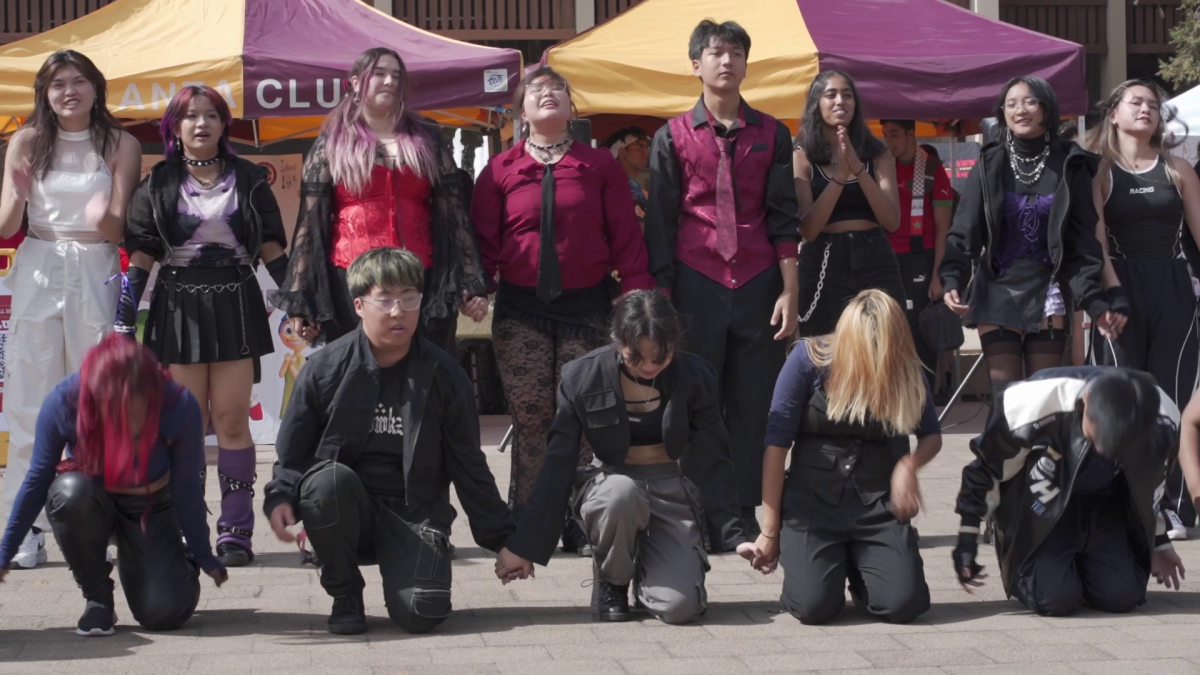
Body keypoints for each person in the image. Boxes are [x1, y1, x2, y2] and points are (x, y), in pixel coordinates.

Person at [263, 248, 513, 635]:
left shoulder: (445, 375)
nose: (399, 311)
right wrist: (281, 497)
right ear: (359, 305)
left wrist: (503, 541)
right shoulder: (324, 370)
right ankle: (345, 592)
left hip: (414, 515)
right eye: (386, 300)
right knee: (325, 482)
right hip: (345, 509)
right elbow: (293, 452)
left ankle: (411, 567)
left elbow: (469, 465)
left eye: (409, 298)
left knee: (422, 613)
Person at [472, 66, 654, 550]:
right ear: (521, 111)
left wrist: (636, 296)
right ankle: (534, 521)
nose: (548, 95)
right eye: (536, 90)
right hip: (520, 308)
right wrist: (474, 288)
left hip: (589, 308)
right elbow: (484, 244)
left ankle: (578, 518)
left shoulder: (599, 166)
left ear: (571, 107)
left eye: (557, 90)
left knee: (579, 416)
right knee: (532, 415)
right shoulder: (499, 170)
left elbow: (626, 238)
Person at [493, 290, 754, 624]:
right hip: (611, 485)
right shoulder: (581, 376)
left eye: (659, 358)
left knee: (679, 609)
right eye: (635, 357)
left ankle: (650, 568)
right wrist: (525, 546)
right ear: (618, 340)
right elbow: (557, 464)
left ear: (673, 343)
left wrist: (735, 537)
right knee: (621, 493)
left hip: (670, 487)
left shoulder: (697, 375)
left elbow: (714, 457)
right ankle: (613, 581)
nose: (648, 367)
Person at [644, 20, 800, 537]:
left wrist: (789, 289)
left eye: (735, 53)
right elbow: (662, 221)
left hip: (758, 279)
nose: (726, 62)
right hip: (696, 277)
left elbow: (783, 217)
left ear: (745, 65)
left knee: (754, 399)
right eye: (715, 53)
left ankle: (741, 510)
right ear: (696, 64)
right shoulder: (672, 136)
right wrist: (662, 299)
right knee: (694, 397)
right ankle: (697, 506)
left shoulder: (773, 133)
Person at [123, 85, 289, 567]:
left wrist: (302, 302)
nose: (201, 124)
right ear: (174, 127)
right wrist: (122, 316)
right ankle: (187, 529)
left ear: (224, 124)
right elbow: (141, 258)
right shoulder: (156, 184)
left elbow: (273, 251)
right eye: (190, 116)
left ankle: (235, 531)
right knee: (186, 428)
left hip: (236, 303)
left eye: (211, 115)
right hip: (177, 308)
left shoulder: (251, 178)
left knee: (234, 421)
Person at [0, 50, 141, 569]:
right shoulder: (27, 140)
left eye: (78, 80)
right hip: (38, 262)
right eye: (57, 83)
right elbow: (6, 225)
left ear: (95, 87)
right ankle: (24, 530)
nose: (68, 91)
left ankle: (99, 518)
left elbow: (120, 227)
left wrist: (101, 213)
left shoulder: (119, 142)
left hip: (94, 265)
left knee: (100, 399)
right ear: (45, 91)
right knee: (30, 400)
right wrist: (16, 194)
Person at [0, 334, 227, 635]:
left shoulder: (178, 403)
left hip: (152, 505)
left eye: (135, 410)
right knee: (67, 494)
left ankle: (177, 556)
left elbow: (187, 489)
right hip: (93, 500)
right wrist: (5, 552)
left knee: (162, 615)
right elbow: (37, 479)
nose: (124, 422)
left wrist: (203, 553)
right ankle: (97, 599)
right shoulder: (64, 399)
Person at [272, 47, 488, 354]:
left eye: (397, 76)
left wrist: (469, 283)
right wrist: (300, 297)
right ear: (356, 82)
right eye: (380, 74)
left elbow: (454, 214)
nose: (389, 81)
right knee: (359, 374)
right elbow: (310, 224)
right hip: (352, 280)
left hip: (420, 278)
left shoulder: (427, 138)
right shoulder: (332, 142)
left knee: (421, 375)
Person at [752, 290, 937, 625]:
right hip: (812, 506)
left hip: (878, 504)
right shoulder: (807, 359)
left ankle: (863, 570)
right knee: (814, 607)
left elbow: (932, 435)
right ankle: (816, 567)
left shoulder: (904, 364)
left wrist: (909, 466)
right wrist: (770, 530)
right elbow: (776, 448)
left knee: (904, 605)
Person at [939, 76, 1120, 418]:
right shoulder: (988, 162)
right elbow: (965, 228)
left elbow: (1084, 241)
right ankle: (1001, 472)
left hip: (1048, 290)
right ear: (1002, 113)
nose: (1019, 109)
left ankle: (1040, 472)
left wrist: (1095, 300)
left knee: (1042, 404)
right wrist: (952, 277)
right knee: (1005, 402)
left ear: (1046, 108)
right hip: (997, 290)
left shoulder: (1070, 163)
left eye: (1029, 101)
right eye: (1011, 104)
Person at [954, 367, 1185, 616]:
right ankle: (1050, 566)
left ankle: (1085, 564)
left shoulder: (1163, 418)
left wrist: (1159, 543)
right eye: (1095, 438)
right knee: (1055, 599)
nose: (1100, 450)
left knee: (1122, 596)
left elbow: (1153, 480)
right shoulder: (1031, 402)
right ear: (1085, 401)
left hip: (1106, 504)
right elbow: (985, 470)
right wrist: (967, 539)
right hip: (1039, 504)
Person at [1085, 80, 1200, 540]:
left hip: (1172, 287)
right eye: (1136, 103)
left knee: (1169, 399)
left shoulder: (1178, 170)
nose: (1146, 110)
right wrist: (1111, 295)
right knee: (1123, 400)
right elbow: (1095, 243)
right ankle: (1122, 502)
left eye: (1153, 104)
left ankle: (1170, 507)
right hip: (1121, 288)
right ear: (1113, 113)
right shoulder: (1099, 171)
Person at [793, 71, 905, 339]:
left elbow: (892, 221)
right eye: (830, 95)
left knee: (885, 344)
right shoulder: (802, 154)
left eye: (847, 95)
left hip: (874, 252)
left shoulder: (878, 152)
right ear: (816, 104)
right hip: (823, 257)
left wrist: (858, 171)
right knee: (824, 350)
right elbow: (808, 230)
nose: (840, 101)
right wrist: (840, 177)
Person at [880, 120, 954, 381]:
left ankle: (925, 405)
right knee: (887, 328)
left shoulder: (932, 169)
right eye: (886, 134)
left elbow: (943, 228)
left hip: (921, 257)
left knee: (919, 330)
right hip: (886, 257)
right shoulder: (881, 165)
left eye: (895, 134)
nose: (889, 141)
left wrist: (937, 275)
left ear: (911, 134)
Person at [605, 125, 650, 219]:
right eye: (640, 147)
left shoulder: (620, 182)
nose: (646, 152)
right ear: (622, 152)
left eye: (646, 147)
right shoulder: (620, 185)